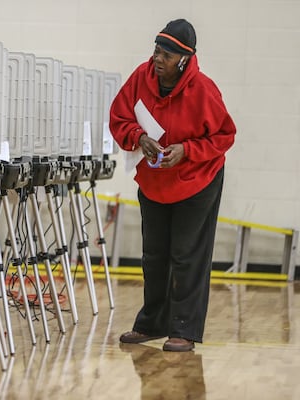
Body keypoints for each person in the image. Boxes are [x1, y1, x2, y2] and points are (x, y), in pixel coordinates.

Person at [109, 18, 236, 352]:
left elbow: (225, 135)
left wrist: (188, 150)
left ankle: (184, 329)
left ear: (184, 59)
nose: (157, 59)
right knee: (154, 254)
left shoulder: (204, 90)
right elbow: (119, 118)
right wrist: (138, 137)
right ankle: (151, 323)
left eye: (165, 55)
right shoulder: (141, 77)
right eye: (155, 50)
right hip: (155, 181)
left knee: (186, 255)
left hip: (197, 181)